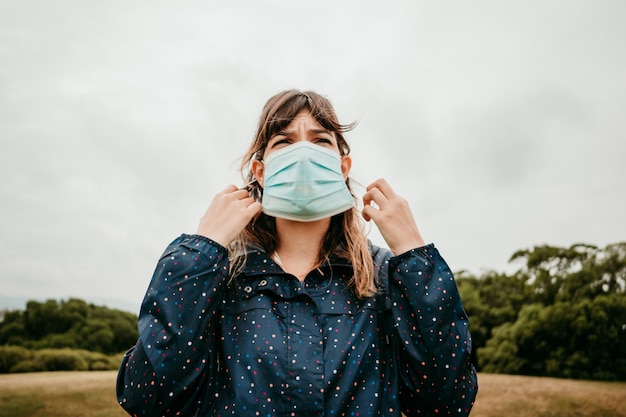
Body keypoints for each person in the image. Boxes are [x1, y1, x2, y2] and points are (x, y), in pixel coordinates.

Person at [116, 89, 478, 417]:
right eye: (284, 142)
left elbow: (446, 401)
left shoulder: (385, 273)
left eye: (320, 140)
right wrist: (203, 248)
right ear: (260, 171)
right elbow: (148, 400)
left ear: (343, 166)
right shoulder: (217, 273)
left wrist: (414, 255)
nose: (303, 153)